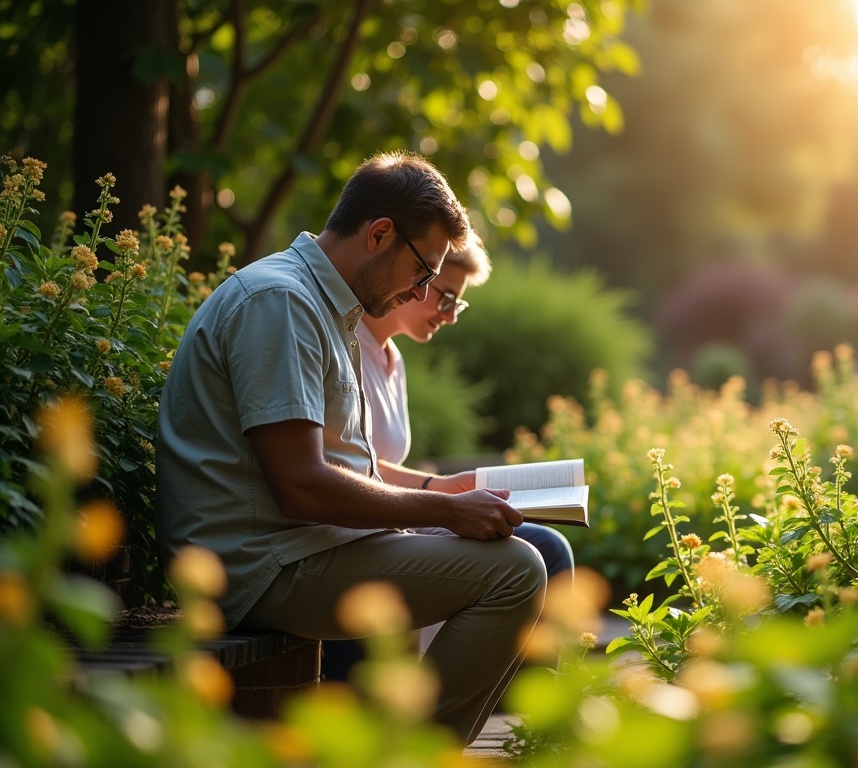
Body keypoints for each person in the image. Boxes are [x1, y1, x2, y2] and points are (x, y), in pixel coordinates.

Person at [155, 151, 545, 745]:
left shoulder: (320, 305)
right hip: (260, 567)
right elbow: (300, 485)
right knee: (517, 571)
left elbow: (328, 469)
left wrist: (440, 502)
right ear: (380, 234)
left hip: (295, 551)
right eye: (422, 272)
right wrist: (444, 509)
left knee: (521, 551)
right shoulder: (280, 303)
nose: (421, 292)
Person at [320, 235, 573, 679]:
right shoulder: (346, 346)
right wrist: (439, 493)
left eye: (460, 304)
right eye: (447, 296)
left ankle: (524, 698)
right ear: (416, 277)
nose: (450, 315)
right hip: (364, 526)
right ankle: (505, 696)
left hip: (397, 516)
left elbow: (375, 463)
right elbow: (345, 466)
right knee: (541, 550)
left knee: (549, 545)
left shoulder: (393, 360)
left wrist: (443, 485)